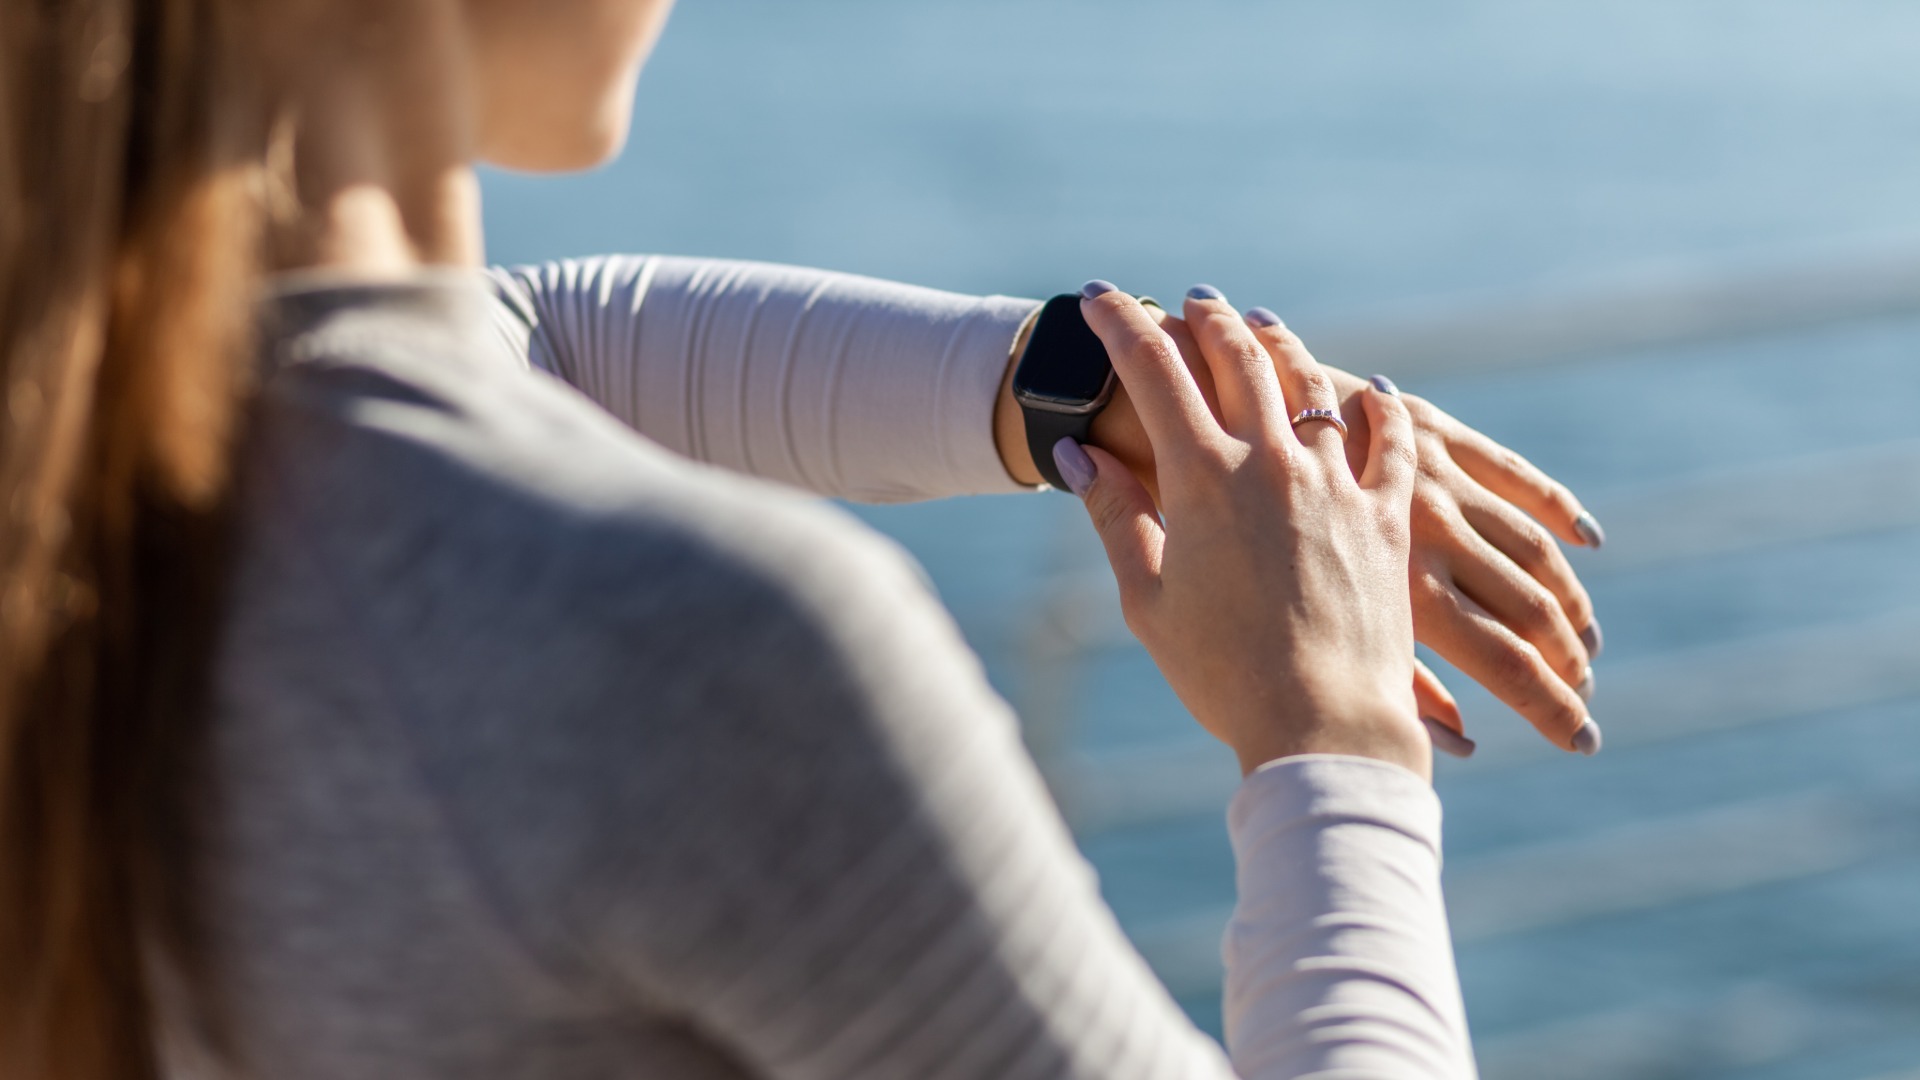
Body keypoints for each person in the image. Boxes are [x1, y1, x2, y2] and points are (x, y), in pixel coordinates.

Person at [0, 1, 1604, 1077]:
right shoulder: (689, 652)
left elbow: (523, 339)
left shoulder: (92, 466)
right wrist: (1333, 741)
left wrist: (1071, 391)